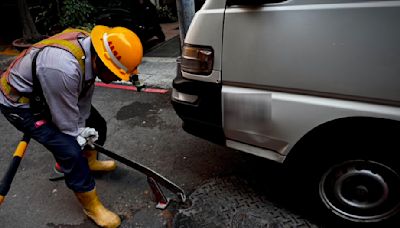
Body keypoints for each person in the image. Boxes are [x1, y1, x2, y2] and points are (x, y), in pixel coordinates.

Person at [0, 25, 143, 228]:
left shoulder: (91, 50)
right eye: (115, 72)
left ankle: (89, 162)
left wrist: (84, 125)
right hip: (20, 103)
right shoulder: (63, 68)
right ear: (101, 60)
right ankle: (91, 206)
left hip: (49, 92)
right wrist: (76, 136)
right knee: (68, 150)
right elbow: (65, 122)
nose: (119, 78)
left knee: (97, 124)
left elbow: (84, 93)